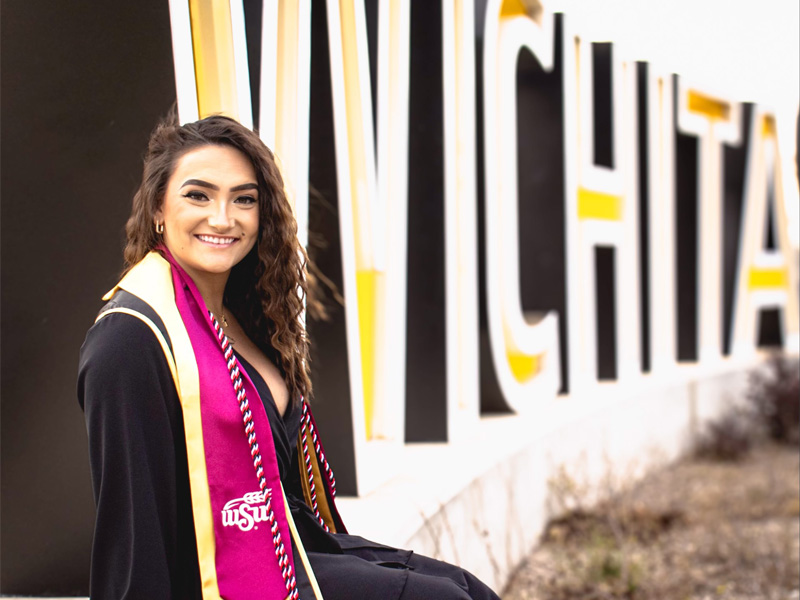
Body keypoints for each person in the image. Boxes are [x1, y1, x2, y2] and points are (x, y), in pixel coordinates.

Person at [78, 114, 501, 600]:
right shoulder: (130, 341)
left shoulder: (242, 316)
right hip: (215, 577)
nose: (223, 217)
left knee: (467, 589)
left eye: (244, 199)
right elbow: (133, 533)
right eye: (198, 195)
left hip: (290, 544)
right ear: (157, 208)